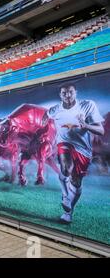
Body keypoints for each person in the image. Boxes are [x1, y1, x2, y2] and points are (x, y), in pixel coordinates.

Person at [44, 83, 104, 223]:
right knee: (66, 167)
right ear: (60, 95)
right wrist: (44, 121)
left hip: (83, 149)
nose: (67, 95)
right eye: (64, 93)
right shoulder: (56, 109)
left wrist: (86, 125)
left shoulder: (87, 105)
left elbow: (101, 131)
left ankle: (69, 211)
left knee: (76, 182)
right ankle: (65, 195)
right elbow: (46, 114)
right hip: (64, 143)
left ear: (75, 92)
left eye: (70, 92)